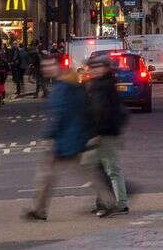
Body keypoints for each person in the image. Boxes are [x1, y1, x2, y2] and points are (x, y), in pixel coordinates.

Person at [25, 55, 116, 220]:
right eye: (44, 66)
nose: (46, 69)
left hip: (67, 138)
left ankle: (39, 209)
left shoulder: (64, 87)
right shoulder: (71, 83)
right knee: (84, 171)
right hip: (75, 136)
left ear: (57, 66)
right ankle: (109, 202)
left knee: (48, 173)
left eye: (49, 65)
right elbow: (85, 109)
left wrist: (49, 135)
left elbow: (59, 114)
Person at [84, 57, 129, 216]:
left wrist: (98, 133)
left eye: (97, 67)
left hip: (106, 134)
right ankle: (105, 201)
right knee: (100, 169)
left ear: (105, 68)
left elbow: (103, 113)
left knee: (110, 169)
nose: (92, 70)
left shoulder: (105, 86)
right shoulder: (98, 85)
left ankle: (119, 203)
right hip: (103, 133)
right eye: (91, 67)